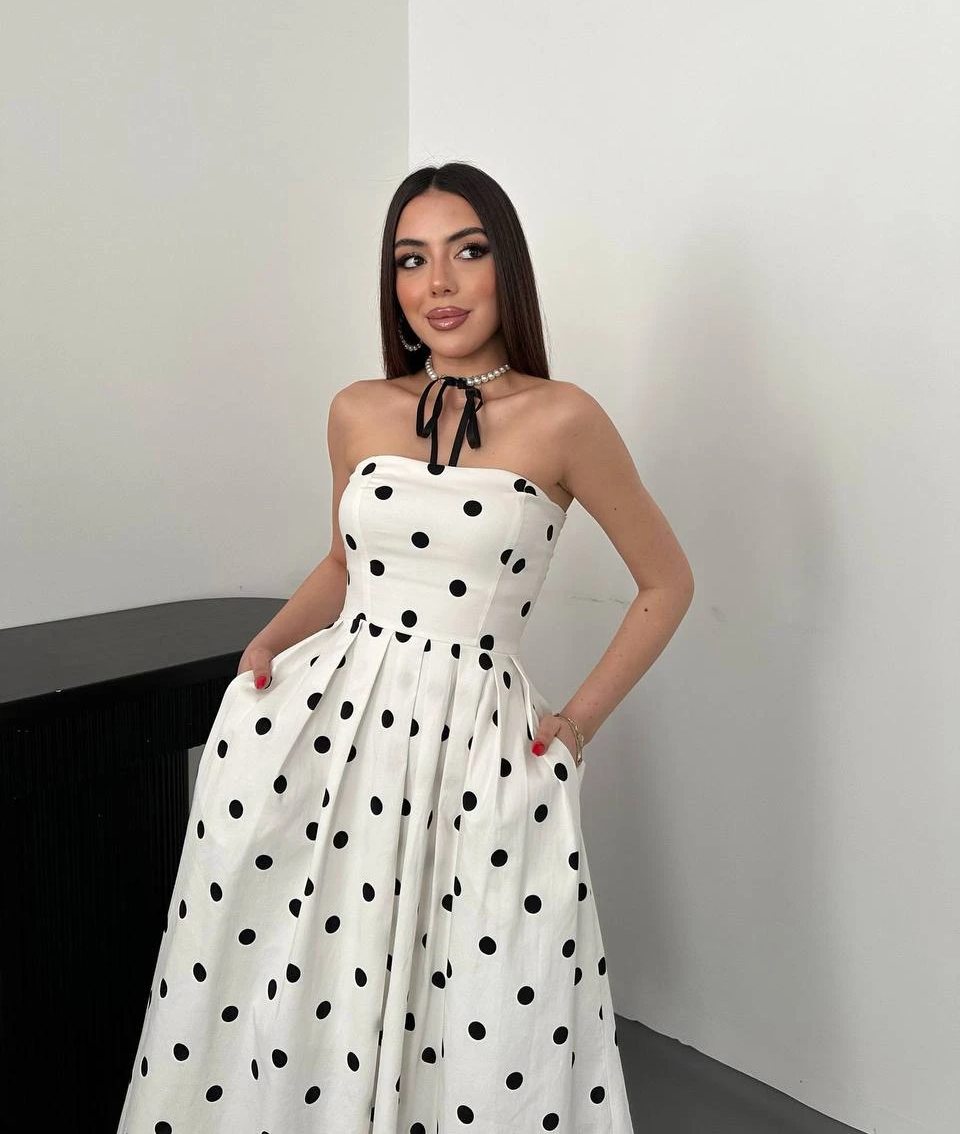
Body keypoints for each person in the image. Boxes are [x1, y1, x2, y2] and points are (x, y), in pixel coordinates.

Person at [116, 162, 694, 1133]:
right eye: (411, 260)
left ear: (507, 266)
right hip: (342, 730)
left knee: (473, 993)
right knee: (306, 973)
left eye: (468, 251)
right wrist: (267, 644)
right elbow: (343, 562)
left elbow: (667, 582)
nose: (440, 284)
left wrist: (576, 724)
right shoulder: (359, 408)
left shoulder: (564, 418)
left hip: (474, 743)